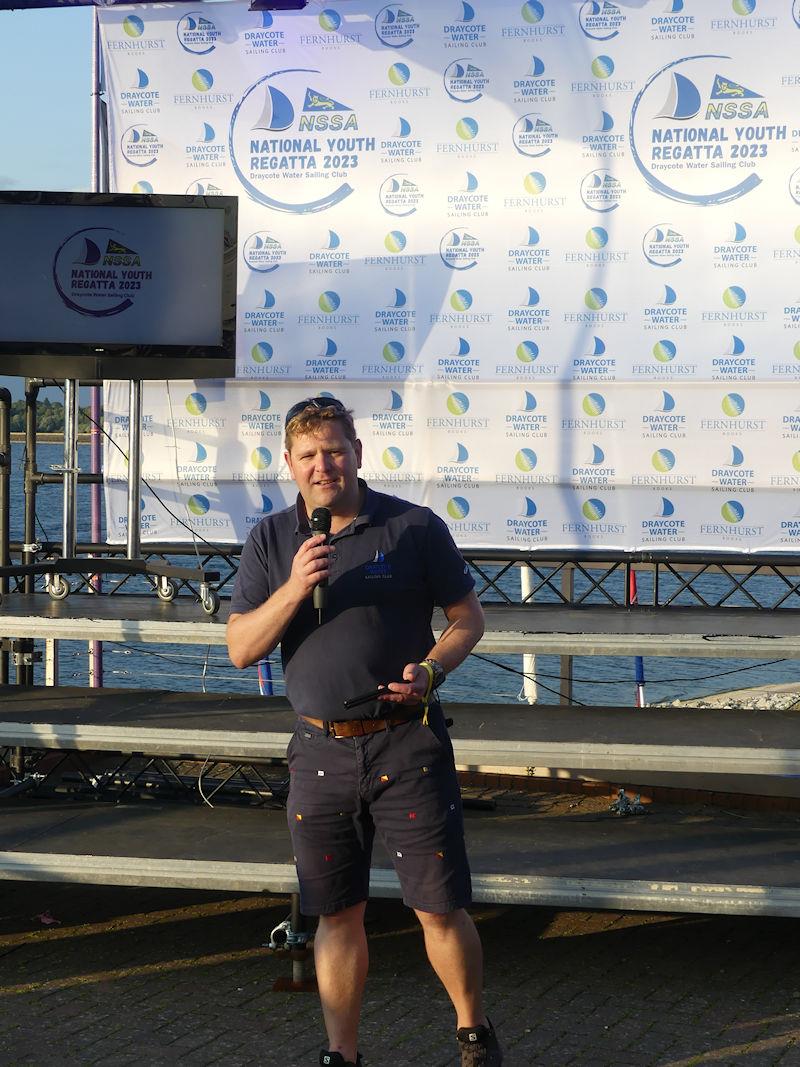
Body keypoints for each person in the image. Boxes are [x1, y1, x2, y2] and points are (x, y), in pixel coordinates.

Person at [227, 396, 502, 1067]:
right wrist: (293, 588)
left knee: (438, 909)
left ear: (357, 449)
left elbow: (468, 619)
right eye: (309, 455)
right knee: (336, 912)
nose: (325, 465)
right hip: (319, 750)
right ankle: (341, 1054)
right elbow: (241, 648)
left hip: (406, 742)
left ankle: (472, 1033)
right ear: (289, 465)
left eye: (335, 449)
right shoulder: (271, 540)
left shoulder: (413, 527)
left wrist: (432, 671)